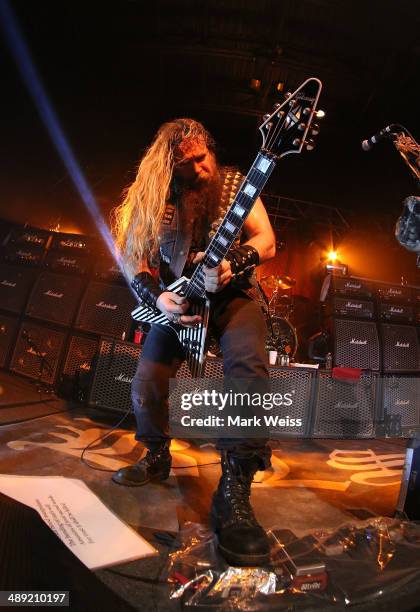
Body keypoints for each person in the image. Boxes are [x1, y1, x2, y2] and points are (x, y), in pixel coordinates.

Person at [111, 118, 276, 566]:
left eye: (204, 157)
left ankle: (236, 488)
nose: (201, 167)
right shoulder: (156, 199)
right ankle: (157, 453)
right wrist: (155, 296)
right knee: (147, 379)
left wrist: (234, 261)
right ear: (169, 166)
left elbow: (267, 239)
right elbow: (133, 258)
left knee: (249, 369)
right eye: (188, 163)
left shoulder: (235, 185)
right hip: (179, 303)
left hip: (231, 298)